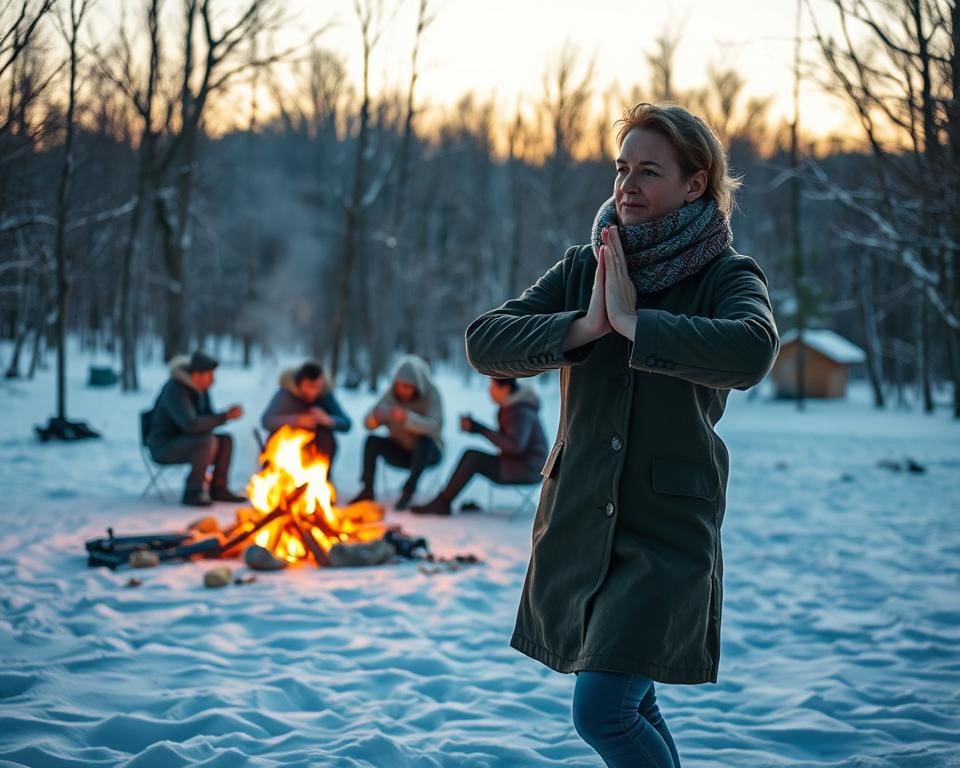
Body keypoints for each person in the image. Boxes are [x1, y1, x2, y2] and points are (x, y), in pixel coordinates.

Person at [464, 102, 780, 767]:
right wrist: (585, 326)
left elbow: (753, 352)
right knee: (628, 701)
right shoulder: (587, 267)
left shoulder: (727, 274)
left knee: (604, 710)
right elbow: (485, 341)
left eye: (648, 172)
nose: (626, 186)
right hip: (580, 520)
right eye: (621, 168)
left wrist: (639, 325)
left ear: (694, 184)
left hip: (665, 531)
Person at [411, 377, 547, 515]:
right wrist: (476, 427)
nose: (489, 391)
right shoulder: (514, 406)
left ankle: (442, 503)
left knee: (472, 457)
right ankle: (443, 502)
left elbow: (515, 446)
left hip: (526, 469)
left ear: (504, 389)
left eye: (492, 387)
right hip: (521, 465)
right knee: (472, 456)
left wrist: (479, 429)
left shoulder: (519, 411)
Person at [146, 350, 246, 507]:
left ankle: (219, 488)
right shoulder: (175, 389)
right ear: (197, 374)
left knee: (226, 440)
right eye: (210, 375)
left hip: (188, 442)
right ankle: (193, 491)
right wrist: (224, 417)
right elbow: (191, 425)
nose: (213, 381)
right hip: (164, 446)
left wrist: (226, 415)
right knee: (207, 442)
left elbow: (207, 419)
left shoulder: (201, 391)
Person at [349, 355, 443, 510]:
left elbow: (435, 426)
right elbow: (367, 423)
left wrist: (407, 418)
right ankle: (367, 490)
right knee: (372, 441)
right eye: (400, 385)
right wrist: (375, 418)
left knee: (424, 442)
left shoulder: (431, 394)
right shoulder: (391, 395)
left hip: (427, 454)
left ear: (417, 386)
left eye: (408, 386)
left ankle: (408, 490)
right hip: (399, 451)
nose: (402, 390)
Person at [260, 361, 351, 475]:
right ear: (299, 384)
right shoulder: (286, 395)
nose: (314, 391)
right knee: (278, 434)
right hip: (287, 446)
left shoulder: (325, 396)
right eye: (310, 386)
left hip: (316, 448)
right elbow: (266, 421)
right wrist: (296, 420)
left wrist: (327, 420)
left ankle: (321, 479)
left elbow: (347, 424)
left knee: (326, 435)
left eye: (317, 387)